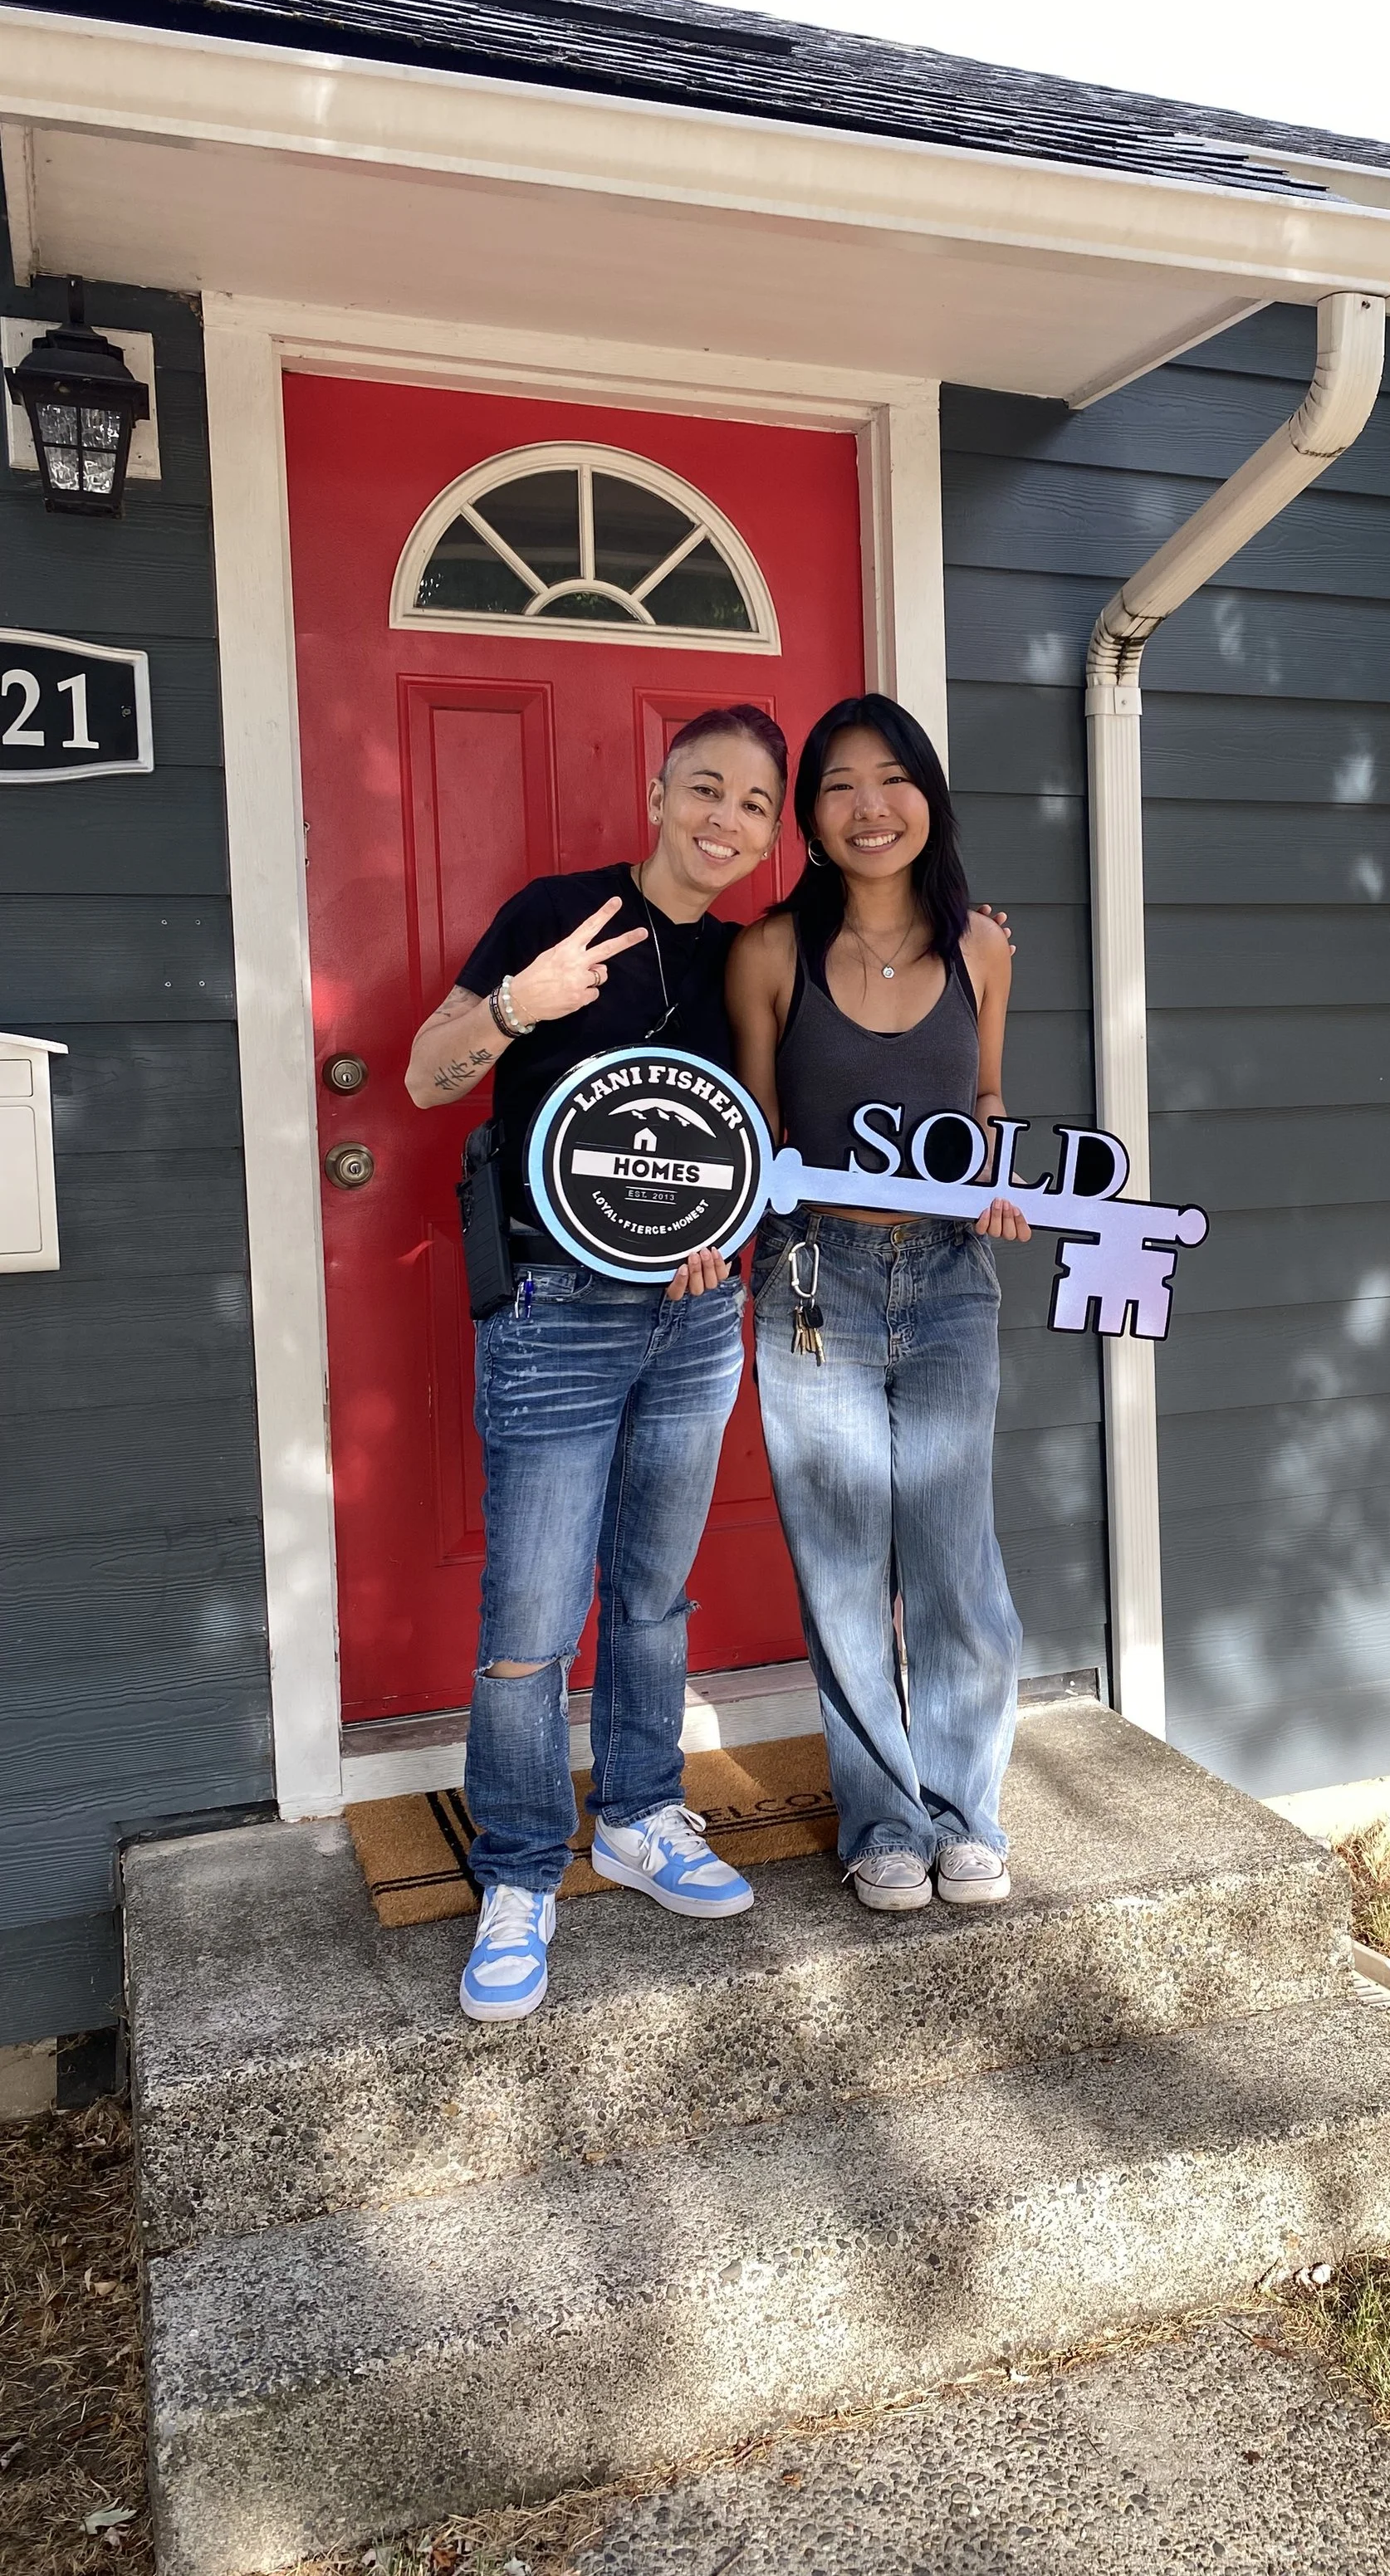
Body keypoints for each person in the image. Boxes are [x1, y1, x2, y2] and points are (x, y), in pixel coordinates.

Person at [404, 705, 787, 2022]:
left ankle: (638, 1812)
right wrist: (520, 1004)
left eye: (752, 803)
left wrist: (726, 1226)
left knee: (652, 1597)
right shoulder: (558, 915)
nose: (725, 820)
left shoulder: (750, 957)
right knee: (528, 1623)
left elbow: (755, 1137)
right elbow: (420, 1077)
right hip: (558, 1309)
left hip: (692, 1321)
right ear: (658, 789)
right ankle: (517, 1869)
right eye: (705, 789)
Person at [727, 692, 1030, 1915]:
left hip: (953, 1281)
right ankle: (884, 1823)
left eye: (892, 778)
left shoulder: (986, 948)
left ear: (929, 799)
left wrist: (1000, 1175)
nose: (869, 806)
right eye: (839, 784)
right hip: (814, 1282)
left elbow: (992, 1096)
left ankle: (968, 1813)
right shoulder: (770, 953)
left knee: (957, 1564)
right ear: (808, 815)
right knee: (845, 1567)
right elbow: (757, 1138)